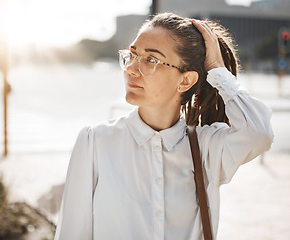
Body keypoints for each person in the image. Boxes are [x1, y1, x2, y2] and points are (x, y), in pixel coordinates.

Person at [54, 13, 274, 240]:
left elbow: (259, 133)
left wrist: (217, 69)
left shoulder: (206, 148)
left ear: (186, 80)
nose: (131, 68)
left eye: (150, 60)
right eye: (132, 55)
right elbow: (72, 233)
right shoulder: (95, 142)